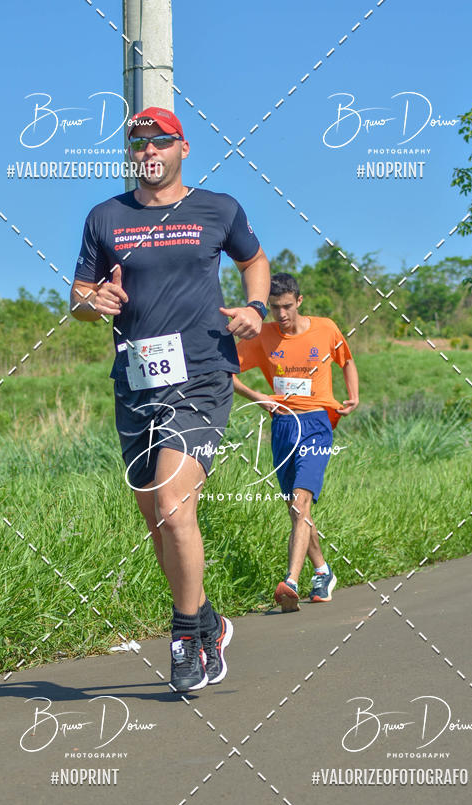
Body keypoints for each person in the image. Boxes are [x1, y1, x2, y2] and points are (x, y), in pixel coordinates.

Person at [70, 106, 270, 690]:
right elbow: (79, 294)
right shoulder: (105, 217)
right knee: (158, 519)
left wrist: (255, 309)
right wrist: (92, 302)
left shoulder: (219, 208)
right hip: (135, 380)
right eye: (138, 144)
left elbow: (253, 260)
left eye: (160, 142)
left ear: (183, 148)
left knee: (173, 501)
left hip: (202, 373)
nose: (148, 152)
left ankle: (185, 637)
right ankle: (208, 620)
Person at [233, 272, 359, 612]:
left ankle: (290, 580)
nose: (282, 314)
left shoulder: (325, 328)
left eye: (287, 306)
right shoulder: (263, 335)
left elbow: (347, 361)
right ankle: (323, 571)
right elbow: (226, 372)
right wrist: (258, 396)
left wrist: (353, 397)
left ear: (299, 301)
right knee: (295, 509)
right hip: (282, 426)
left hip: (317, 423)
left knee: (301, 503)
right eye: (275, 308)